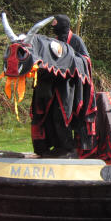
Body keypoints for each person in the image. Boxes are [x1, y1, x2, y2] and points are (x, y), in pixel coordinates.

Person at [32, 14, 95, 157]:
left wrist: (69, 60)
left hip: (70, 88)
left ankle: (69, 148)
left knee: (61, 116)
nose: (53, 27)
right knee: (49, 116)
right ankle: (56, 146)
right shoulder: (53, 42)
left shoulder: (76, 40)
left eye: (55, 23)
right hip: (53, 86)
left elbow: (86, 61)